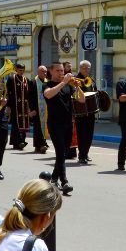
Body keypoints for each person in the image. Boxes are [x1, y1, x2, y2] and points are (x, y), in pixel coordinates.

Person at [42, 62, 76, 195]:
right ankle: (64, 182)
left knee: (64, 153)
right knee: (60, 153)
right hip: (55, 124)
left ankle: (54, 178)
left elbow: (81, 100)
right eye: (58, 71)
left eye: (62, 71)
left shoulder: (68, 86)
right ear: (51, 71)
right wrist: (63, 82)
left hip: (68, 123)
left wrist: (78, 87)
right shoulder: (47, 85)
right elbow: (48, 95)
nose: (61, 73)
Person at [7, 63, 35, 150]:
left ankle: (22, 141)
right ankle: (16, 142)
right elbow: (8, 93)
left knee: (24, 125)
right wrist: (8, 106)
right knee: (16, 125)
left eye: (23, 70)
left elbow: (30, 94)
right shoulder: (11, 79)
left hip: (25, 107)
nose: (21, 72)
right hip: (15, 106)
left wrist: (30, 107)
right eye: (20, 70)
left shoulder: (26, 80)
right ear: (16, 70)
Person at [74, 61, 97, 164]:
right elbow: (74, 94)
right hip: (80, 111)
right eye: (84, 68)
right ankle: (81, 155)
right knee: (81, 134)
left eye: (88, 68)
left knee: (89, 134)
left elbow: (95, 92)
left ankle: (86, 153)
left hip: (90, 111)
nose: (86, 70)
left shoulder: (91, 80)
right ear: (80, 68)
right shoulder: (75, 80)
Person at [31, 65, 50, 154]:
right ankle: (38, 145)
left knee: (45, 127)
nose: (45, 73)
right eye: (42, 71)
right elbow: (29, 97)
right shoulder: (33, 82)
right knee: (38, 127)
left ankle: (43, 144)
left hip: (46, 109)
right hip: (36, 108)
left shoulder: (48, 82)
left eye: (46, 71)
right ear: (38, 72)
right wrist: (31, 109)